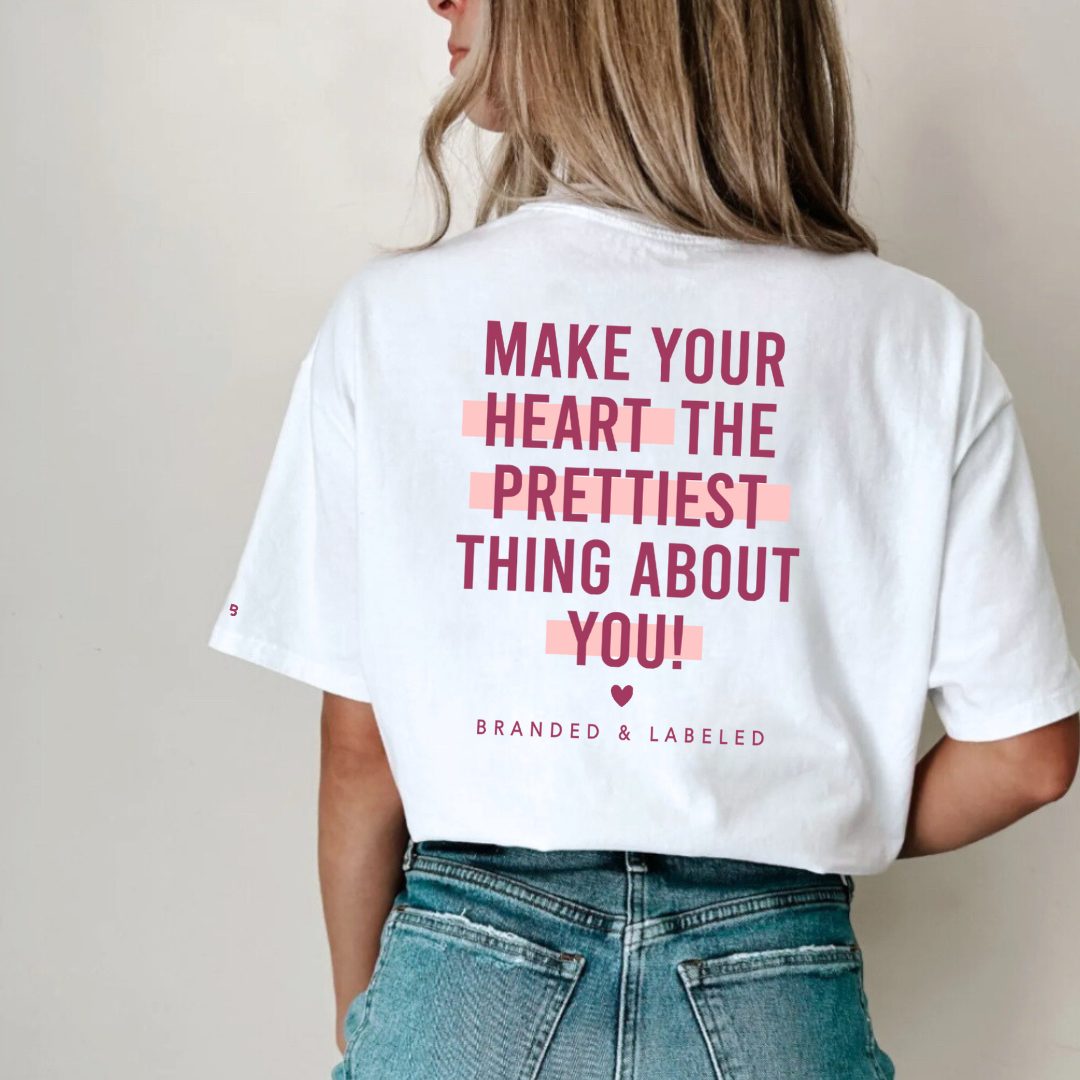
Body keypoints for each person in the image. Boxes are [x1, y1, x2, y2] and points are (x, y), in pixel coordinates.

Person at [208, 1, 1080, 1077]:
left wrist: (364, 1011)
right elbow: (1030, 757)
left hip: (462, 975)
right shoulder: (919, 338)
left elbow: (363, 749)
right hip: (775, 983)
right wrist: (803, 807)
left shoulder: (390, 320)